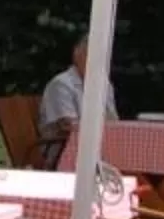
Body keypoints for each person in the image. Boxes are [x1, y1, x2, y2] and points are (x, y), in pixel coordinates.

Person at [37, 38, 111, 166]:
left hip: (98, 146)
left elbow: (113, 118)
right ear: (76, 56)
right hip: (62, 151)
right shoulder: (61, 84)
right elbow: (68, 126)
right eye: (91, 55)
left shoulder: (104, 84)